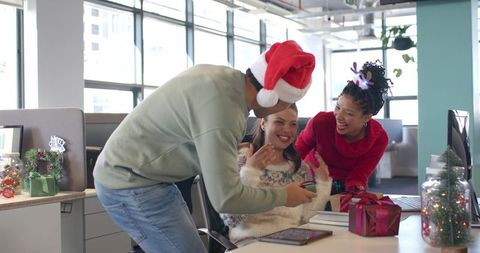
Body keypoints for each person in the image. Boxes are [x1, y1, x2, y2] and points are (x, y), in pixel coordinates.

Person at [93, 40, 317, 253]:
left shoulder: (224, 80)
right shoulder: (225, 114)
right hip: (129, 181)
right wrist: (284, 197)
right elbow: (226, 199)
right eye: (287, 103)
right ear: (272, 96)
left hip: (151, 177)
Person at [220, 104, 332, 246]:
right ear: (263, 123)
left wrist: (324, 184)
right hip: (252, 243)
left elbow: (306, 218)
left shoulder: (300, 167)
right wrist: (250, 172)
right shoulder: (241, 159)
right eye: (279, 122)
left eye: (293, 124)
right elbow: (231, 219)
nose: (287, 130)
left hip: (292, 243)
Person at [295, 60, 392, 195]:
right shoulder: (321, 122)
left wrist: (354, 193)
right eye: (338, 107)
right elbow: (298, 150)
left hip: (347, 188)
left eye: (349, 113)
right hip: (311, 180)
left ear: (366, 118)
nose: (338, 116)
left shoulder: (379, 138)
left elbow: (359, 175)